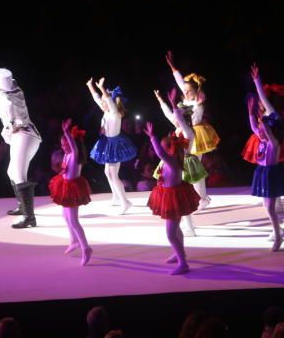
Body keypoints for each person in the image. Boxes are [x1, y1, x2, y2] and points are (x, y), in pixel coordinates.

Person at [144, 121, 200, 275]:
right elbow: (162, 155)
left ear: (170, 148)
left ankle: (183, 263)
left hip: (173, 198)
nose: (161, 149)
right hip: (171, 195)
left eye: (164, 146)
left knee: (170, 233)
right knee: (176, 230)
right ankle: (179, 254)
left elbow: (160, 153)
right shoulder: (171, 161)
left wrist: (152, 137)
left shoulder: (173, 161)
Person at [166, 50, 219, 209]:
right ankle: (201, 197)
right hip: (185, 134)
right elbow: (181, 83)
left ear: (197, 92)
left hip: (197, 135)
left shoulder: (198, 104)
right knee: (189, 169)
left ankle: (202, 198)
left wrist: (180, 120)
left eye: (189, 91)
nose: (185, 92)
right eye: (185, 91)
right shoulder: (187, 98)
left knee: (196, 168)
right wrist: (173, 68)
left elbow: (193, 119)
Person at [248, 63, 284, 251]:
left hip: (271, 174)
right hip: (263, 172)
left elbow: (264, 102)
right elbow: (254, 128)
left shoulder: (273, 141)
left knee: (270, 207)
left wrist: (257, 80)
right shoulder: (263, 139)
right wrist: (251, 114)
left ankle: (278, 236)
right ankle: (277, 230)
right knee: (267, 207)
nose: (259, 129)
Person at [0, 68, 42, 228]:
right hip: (28, 134)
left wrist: (9, 130)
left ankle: (29, 217)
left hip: (23, 135)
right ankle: (23, 206)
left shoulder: (3, 98)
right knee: (11, 172)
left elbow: (13, 120)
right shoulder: (17, 90)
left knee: (19, 175)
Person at [154, 88, 208, 238]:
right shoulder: (178, 129)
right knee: (180, 197)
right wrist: (161, 101)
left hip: (185, 164)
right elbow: (168, 115)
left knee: (181, 197)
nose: (174, 119)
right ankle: (189, 225)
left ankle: (190, 227)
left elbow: (177, 116)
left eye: (178, 117)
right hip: (175, 165)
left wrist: (173, 104)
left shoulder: (188, 131)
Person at [86, 77, 137, 214]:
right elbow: (97, 98)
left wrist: (102, 89)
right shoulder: (106, 111)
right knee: (107, 172)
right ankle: (116, 197)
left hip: (115, 145)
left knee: (114, 175)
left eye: (104, 101)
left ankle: (125, 202)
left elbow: (108, 100)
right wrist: (90, 86)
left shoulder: (115, 113)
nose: (101, 103)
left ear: (111, 102)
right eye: (102, 101)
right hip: (107, 143)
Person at [48, 119, 93, 265]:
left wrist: (67, 132)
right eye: (62, 144)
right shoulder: (67, 156)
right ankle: (74, 240)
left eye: (65, 143)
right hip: (66, 185)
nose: (62, 146)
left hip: (73, 189)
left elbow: (74, 148)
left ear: (71, 142)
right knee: (65, 216)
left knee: (73, 220)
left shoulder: (74, 155)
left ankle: (86, 247)